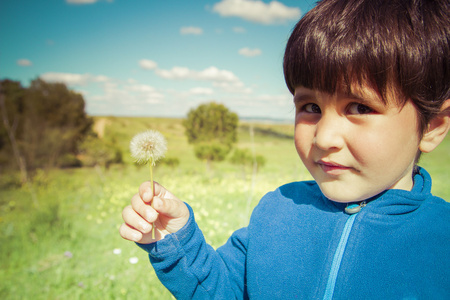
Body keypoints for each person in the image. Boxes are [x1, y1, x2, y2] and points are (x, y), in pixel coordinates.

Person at [119, 0, 450, 298]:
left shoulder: (441, 241)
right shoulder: (276, 211)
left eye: (360, 108)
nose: (323, 138)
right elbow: (224, 292)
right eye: (310, 107)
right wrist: (177, 240)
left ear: (432, 127)